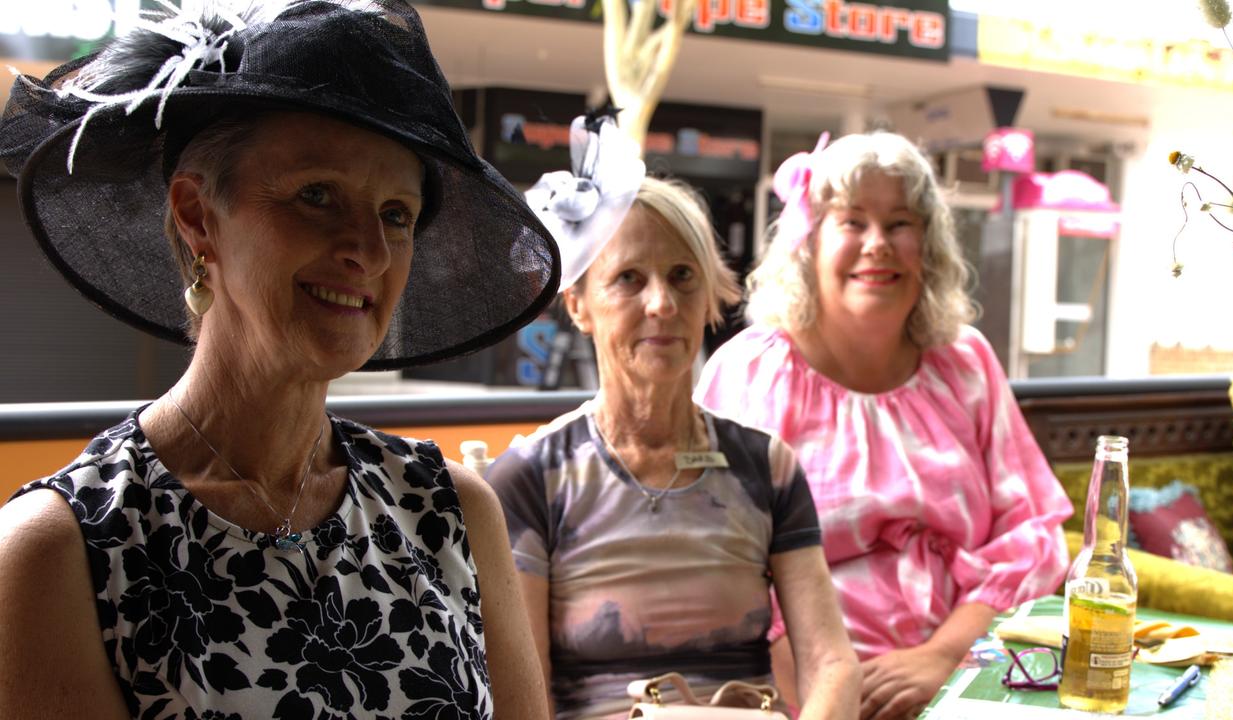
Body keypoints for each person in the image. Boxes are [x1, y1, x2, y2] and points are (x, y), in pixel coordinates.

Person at [0, 2, 557, 718]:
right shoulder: (60, 555)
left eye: (396, 214)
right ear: (199, 216)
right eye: (317, 195)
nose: (368, 250)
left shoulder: (448, 511)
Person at [694, 132, 1074, 720]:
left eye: (900, 223)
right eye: (851, 222)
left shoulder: (965, 363)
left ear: (928, 245)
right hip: (797, 690)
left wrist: (945, 657)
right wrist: (820, 693)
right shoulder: (750, 371)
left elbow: (1031, 535)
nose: (878, 245)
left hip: (971, 678)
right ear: (808, 243)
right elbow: (710, 553)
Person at [491, 137, 862, 720]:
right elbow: (522, 700)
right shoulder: (530, 479)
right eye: (629, 278)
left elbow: (832, 663)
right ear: (580, 305)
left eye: (683, 276)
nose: (661, 302)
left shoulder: (767, 468)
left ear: (712, 296)